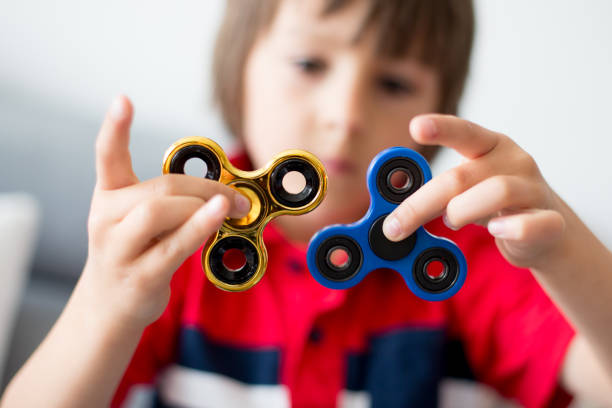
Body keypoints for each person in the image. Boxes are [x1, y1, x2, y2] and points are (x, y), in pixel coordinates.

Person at [2, 0, 612, 406]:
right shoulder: (180, 249)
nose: (345, 115)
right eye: (309, 63)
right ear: (238, 71)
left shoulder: (470, 259)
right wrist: (106, 303)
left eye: (393, 83)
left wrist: (565, 252)